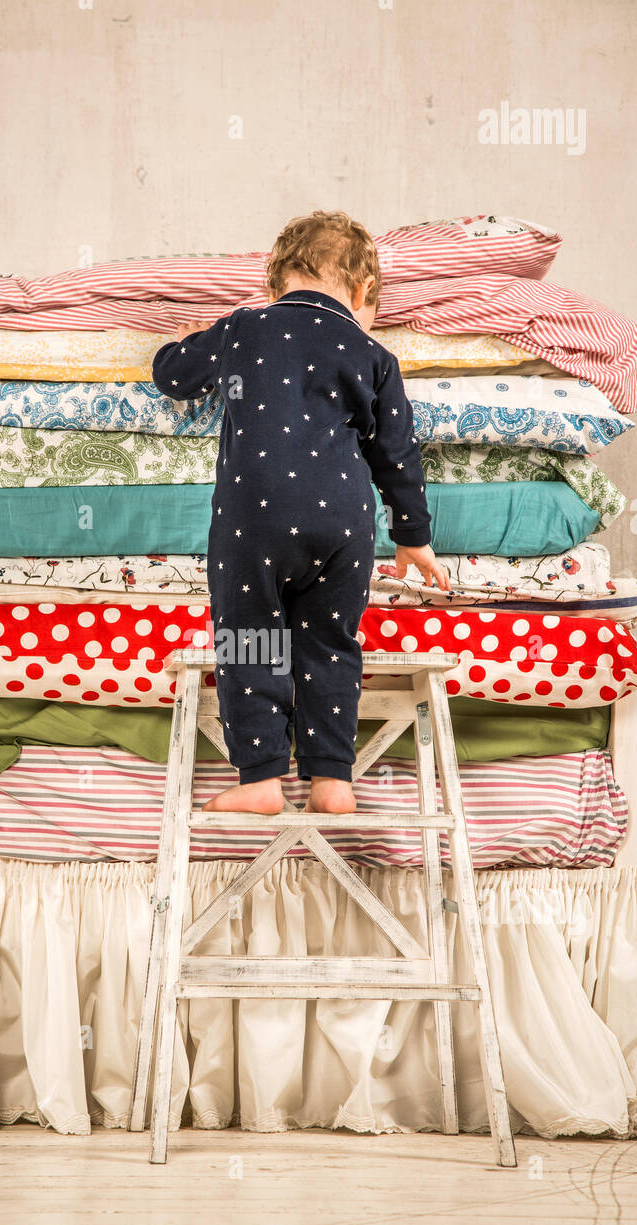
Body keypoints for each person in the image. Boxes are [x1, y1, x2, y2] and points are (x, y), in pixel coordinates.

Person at [152, 210, 449, 815]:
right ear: (363, 291)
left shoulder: (242, 328)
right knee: (331, 644)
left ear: (274, 285)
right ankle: (333, 780)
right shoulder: (373, 354)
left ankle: (261, 779)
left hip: (252, 523)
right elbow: (396, 453)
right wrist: (414, 538)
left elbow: (173, 375)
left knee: (252, 637)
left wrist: (180, 340)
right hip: (343, 524)